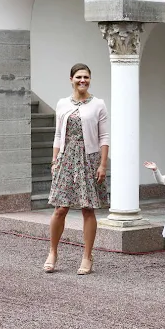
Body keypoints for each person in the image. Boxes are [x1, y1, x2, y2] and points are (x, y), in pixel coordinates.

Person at [43, 63, 109, 275]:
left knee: (87, 208)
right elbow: (58, 135)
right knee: (60, 208)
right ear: (71, 79)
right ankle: (52, 252)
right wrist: (55, 161)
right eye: (79, 77)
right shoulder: (62, 104)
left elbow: (104, 137)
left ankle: (87, 256)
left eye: (86, 77)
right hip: (66, 158)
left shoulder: (98, 104)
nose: (83, 80)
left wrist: (102, 164)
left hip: (89, 158)